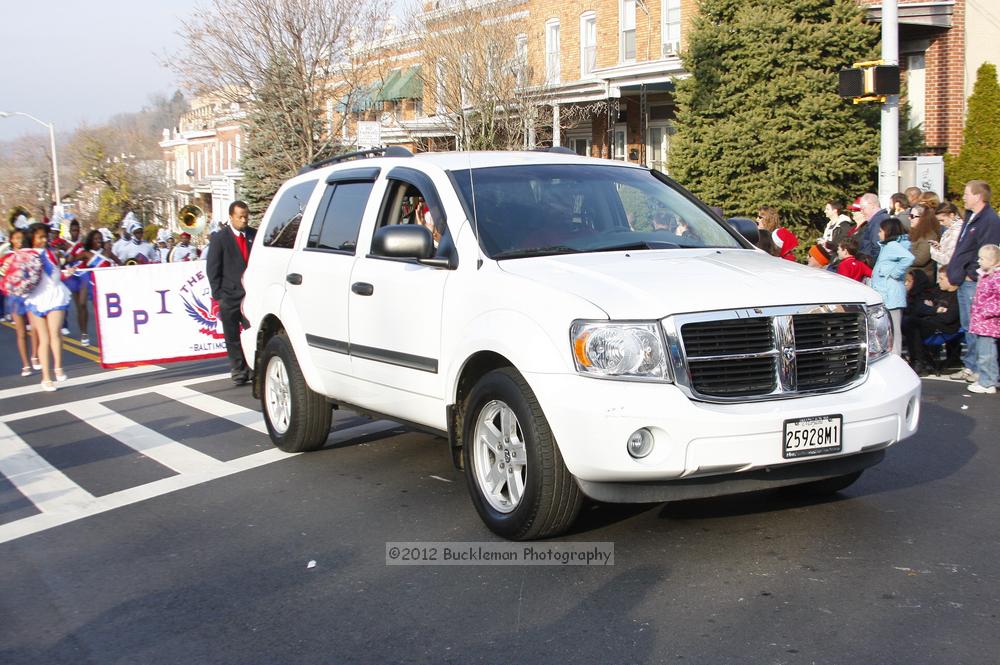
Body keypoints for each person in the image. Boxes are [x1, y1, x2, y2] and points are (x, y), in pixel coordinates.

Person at [946, 180, 1000, 383]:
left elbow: (988, 250)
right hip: (963, 280)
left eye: (967, 194)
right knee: (968, 325)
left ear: (978, 196)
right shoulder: (970, 217)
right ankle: (971, 365)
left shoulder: (989, 220)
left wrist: (971, 274)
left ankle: (979, 370)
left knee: (977, 327)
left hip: (974, 281)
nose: (963, 197)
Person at [207, 201, 256, 385]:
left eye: (246, 216)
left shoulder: (253, 235)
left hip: (250, 295)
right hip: (229, 295)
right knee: (232, 336)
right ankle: (238, 370)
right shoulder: (220, 239)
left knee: (252, 332)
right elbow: (213, 268)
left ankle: (253, 368)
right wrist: (219, 295)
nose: (244, 220)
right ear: (231, 217)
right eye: (240, 217)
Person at [23, 223, 71, 390]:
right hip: (36, 298)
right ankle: (46, 377)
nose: (44, 240)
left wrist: (67, 273)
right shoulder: (26, 255)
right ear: (32, 238)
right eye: (40, 237)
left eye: (45, 236)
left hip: (55, 295)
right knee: (43, 339)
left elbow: (56, 275)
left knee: (55, 333)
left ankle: (58, 367)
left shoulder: (51, 253)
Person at [901, 266, 961, 375]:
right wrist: (936, 310)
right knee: (910, 322)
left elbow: (949, 317)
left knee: (912, 324)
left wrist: (929, 311)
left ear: (951, 279)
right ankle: (919, 361)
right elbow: (920, 308)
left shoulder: (958, 296)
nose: (939, 281)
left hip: (947, 328)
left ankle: (920, 362)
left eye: (942, 278)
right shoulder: (937, 290)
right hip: (931, 323)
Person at [871, 217, 914, 355]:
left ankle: (896, 357)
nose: (879, 233)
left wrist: (895, 273)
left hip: (892, 295)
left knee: (894, 330)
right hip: (887, 294)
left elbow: (909, 258)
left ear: (887, 231)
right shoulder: (888, 246)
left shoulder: (892, 246)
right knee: (888, 330)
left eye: (881, 230)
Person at [0, 228, 40, 375]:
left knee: (35, 328)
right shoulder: (7, 257)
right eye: (16, 238)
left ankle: (35, 355)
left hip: (31, 295)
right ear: (11, 240)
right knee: (21, 332)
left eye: (21, 238)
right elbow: (3, 276)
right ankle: (25, 364)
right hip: (15, 298)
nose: (19, 241)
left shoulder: (30, 254)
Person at [966, 244, 1000, 394]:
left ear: (993, 261)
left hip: (989, 323)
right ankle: (987, 379)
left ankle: (988, 382)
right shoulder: (986, 275)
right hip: (982, 322)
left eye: (982, 258)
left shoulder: (996, 277)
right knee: (984, 353)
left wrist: (986, 311)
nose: (979, 261)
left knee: (987, 354)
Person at [907, 204, 941, 281]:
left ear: (922, 218)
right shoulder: (915, 232)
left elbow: (920, 259)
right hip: (910, 277)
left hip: (921, 279)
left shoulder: (929, 236)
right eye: (909, 215)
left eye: (912, 216)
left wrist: (900, 256)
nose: (909, 218)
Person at [930, 202, 963, 267]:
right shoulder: (951, 229)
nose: (940, 223)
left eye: (942, 220)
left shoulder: (956, 232)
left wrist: (933, 252)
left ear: (951, 215)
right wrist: (939, 248)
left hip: (949, 272)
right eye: (938, 221)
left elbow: (948, 259)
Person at [858, 193, 889, 261]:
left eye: (863, 209)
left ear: (872, 205)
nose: (861, 212)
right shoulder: (877, 219)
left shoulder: (879, 220)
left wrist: (870, 264)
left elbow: (877, 246)